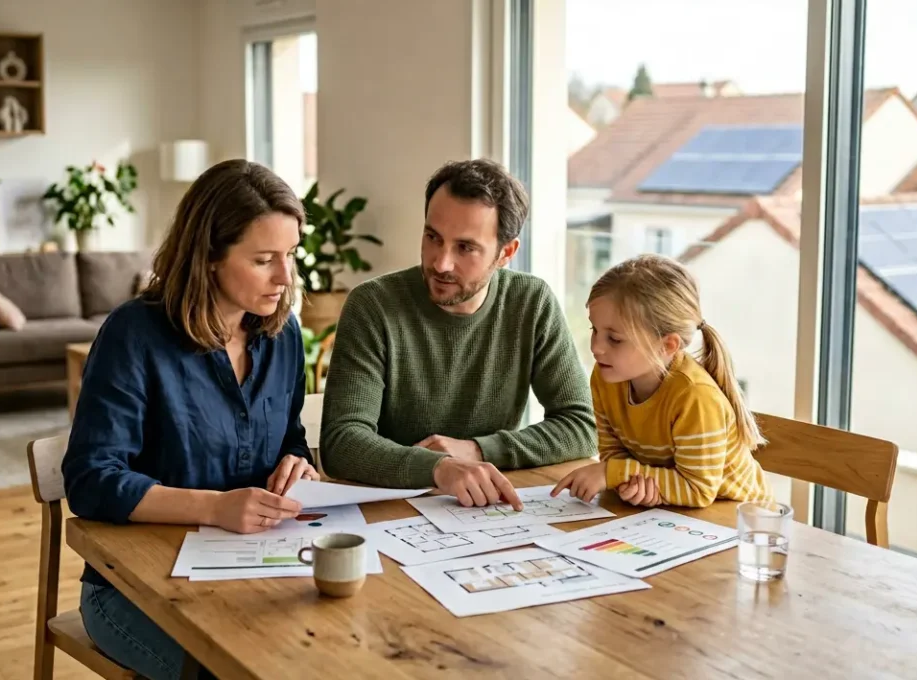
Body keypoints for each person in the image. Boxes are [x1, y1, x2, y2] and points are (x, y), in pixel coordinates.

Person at [61, 160, 317, 680]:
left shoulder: (283, 334)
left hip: (256, 569)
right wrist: (216, 507)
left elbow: (290, 437)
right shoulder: (134, 334)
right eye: (263, 260)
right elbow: (90, 481)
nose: (284, 277)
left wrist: (297, 464)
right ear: (209, 257)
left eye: (290, 255)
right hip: (134, 589)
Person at [320, 159, 596, 508]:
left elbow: (580, 426)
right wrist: (439, 467)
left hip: (485, 505)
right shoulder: (373, 306)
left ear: (506, 253)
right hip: (390, 507)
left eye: (465, 247)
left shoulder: (531, 302)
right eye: (432, 237)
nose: (441, 263)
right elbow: (342, 443)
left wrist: (478, 450)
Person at [553, 254, 771, 507]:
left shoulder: (695, 397)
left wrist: (613, 474)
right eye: (595, 330)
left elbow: (698, 490)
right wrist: (635, 484)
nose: (596, 348)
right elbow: (615, 455)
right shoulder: (606, 378)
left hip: (740, 517)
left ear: (667, 345)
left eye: (615, 339)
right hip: (676, 515)